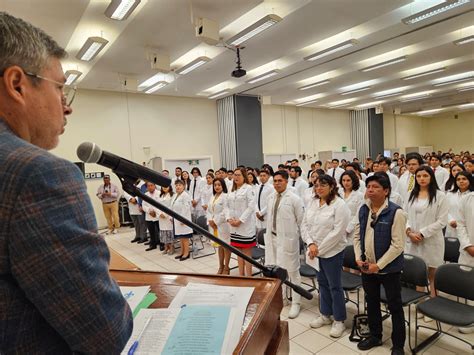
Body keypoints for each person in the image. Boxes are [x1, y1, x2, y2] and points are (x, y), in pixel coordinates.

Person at [0, 12, 132, 352]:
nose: (67, 107)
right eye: (60, 88)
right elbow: (106, 332)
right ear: (17, 84)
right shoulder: (38, 174)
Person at [354, 174, 407, 354]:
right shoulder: (363, 209)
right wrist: (358, 257)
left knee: (394, 305)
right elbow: (356, 235)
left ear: (386, 191)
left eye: (375, 187)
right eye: (368, 186)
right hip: (367, 266)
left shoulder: (396, 212)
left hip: (389, 269)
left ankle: (398, 345)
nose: (370, 189)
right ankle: (375, 336)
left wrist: (380, 265)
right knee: (372, 301)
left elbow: (398, 245)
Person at [301, 174, 351, 338]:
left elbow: (337, 232)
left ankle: (339, 320)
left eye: (323, 185)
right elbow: (304, 224)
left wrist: (318, 249)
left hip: (332, 252)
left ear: (332, 186)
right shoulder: (313, 202)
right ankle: (325, 314)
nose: (319, 188)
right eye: (316, 185)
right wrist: (310, 244)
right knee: (321, 283)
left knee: (334, 286)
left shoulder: (340, 205)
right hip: (314, 250)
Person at [264, 171, 305, 319]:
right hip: (273, 238)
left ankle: (296, 302)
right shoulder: (271, 197)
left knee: (293, 272)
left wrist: (306, 241)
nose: (277, 183)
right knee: (275, 270)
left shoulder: (294, 199)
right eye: (274, 181)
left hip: (288, 240)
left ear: (286, 181)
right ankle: (281, 298)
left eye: (280, 180)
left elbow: (302, 222)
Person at [405, 166, 448, 303]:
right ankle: (420, 302)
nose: (422, 179)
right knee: (418, 272)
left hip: (431, 240)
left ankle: (433, 302)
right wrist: (409, 232)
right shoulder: (411, 194)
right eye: (419, 176)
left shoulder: (440, 196)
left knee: (432, 274)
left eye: (425, 176)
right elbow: (404, 216)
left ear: (431, 177)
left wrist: (422, 233)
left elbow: (442, 221)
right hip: (412, 239)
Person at [226, 167, 256, 276]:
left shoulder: (248, 188)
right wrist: (229, 218)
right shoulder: (231, 188)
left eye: (239, 175)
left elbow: (251, 207)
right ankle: (241, 275)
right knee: (238, 252)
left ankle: (249, 276)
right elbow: (227, 206)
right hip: (233, 226)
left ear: (244, 177)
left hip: (245, 226)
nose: (236, 177)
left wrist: (240, 220)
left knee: (247, 254)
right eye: (235, 175)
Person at [457, 184, 474, 334]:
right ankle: (469, 319)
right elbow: (460, 224)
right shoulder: (467, 199)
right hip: (469, 250)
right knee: (469, 285)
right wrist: (467, 245)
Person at [207, 178, 231, 275]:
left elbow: (225, 212)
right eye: (215, 185)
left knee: (226, 246)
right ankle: (221, 266)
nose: (217, 187)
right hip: (213, 225)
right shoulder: (212, 196)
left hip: (223, 225)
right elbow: (208, 210)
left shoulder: (225, 197)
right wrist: (210, 220)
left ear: (223, 186)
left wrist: (215, 222)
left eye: (219, 185)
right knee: (219, 247)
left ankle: (226, 267)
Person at [445, 171, 474, 239]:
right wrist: (450, 220)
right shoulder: (450, 194)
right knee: (452, 247)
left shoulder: (472, 195)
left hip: (469, 228)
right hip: (452, 228)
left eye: (464, 179)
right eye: (458, 179)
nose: (461, 181)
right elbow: (445, 210)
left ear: (469, 180)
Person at [171, 179, 193, 261]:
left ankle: (186, 253)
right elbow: (172, 206)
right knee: (181, 237)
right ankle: (182, 252)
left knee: (185, 237)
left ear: (184, 186)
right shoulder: (175, 195)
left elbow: (186, 208)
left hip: (184, 220)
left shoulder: (185, 195)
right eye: (176, 185)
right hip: (177, 219)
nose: (178, 187)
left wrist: (183, 219)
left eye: (180, 185)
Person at [339, 170, 364, 241]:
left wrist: (348, 229)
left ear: (353, 181)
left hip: (353, 229)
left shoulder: (359, 195)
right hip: (338, 226)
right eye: (343, 180)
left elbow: (358, 215)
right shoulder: (338, 193)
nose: (345, 183)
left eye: (348, 180)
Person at [124, 179, 147, 243]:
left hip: (139, 206)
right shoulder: (127, 183)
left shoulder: (142, 184)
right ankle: (138, 236)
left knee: (142, 223)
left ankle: (143, 236)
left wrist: (136, 199)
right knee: (136, 223)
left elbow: (143, 193)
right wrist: (130, 198)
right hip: (131, 207)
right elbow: (125, 192)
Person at [142, 182, 161, 251]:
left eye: (151, 185)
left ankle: (162, 244)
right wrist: (149, 211)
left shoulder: (159, 193)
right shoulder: (145, 195)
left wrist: (155, 211)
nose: (150, 187)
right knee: (151, 231)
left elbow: (160, 204)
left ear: (155, 186)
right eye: (148, 186)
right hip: (149, 216)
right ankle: (153, 245)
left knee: (160, 231)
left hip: (158, 215)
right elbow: (143, 205)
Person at [158, 185, 175, 255]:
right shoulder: (160, 195)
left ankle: (171, 247)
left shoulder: (172, 195)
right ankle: (166, 247)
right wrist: (160, 213)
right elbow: (157, 205)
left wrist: (165, 214)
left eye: (166, 186)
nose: (164, 187)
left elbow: (171, 206)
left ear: (170, 187)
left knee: (169, 232)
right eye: (163, 186)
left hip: (168, 217)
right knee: (163, 232)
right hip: (161, 217)